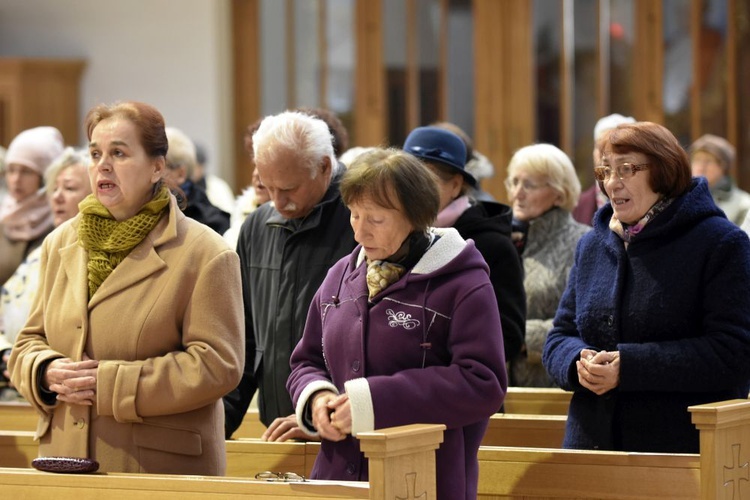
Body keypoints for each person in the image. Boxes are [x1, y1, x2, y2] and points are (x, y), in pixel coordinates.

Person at [8, 101, 244, 475]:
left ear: (157, 167)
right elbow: (28, 343)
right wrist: (44, 372)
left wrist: (113, 384)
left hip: (156, 470)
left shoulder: (205, 252)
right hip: (64, 460)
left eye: (118, 153)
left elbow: (218, 365)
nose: (103, 164)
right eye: (96, 153)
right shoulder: (59, 243)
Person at [286, 148, 507, 500]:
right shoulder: (339, 276)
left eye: (375, 219)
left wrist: (372, 402)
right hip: (337, 479)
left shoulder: (464, 283)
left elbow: (483, 382)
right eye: (354, 216)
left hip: (424, 481)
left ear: (414, 216)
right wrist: (317, 397)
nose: (359, 233)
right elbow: (306, 361)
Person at [542, 121, 750, 453]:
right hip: (589, 446)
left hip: (677, 450)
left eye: (627, 170)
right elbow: (559, 335)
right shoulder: (592, 245)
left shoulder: (720, 243)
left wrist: (631, 367)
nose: (612, 183)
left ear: (663, 171)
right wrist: (576, 362)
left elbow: (734, 352)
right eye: (606, 171)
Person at [223, 110, 357, 440]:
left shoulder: (363, 219)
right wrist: (218, 424)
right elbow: (245, 337)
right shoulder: (257, 227)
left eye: (289, 188)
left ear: (325, 166)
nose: (278, 202)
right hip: (279, 427)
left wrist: (323, 419)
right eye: (267, 187)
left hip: (346, 430)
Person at [403, 126, 526, 365]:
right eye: (406, 181)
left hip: (461, 390)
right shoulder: (395, 237)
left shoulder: (492, 245)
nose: (413, 191)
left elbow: (508, 337)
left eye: (426, 179)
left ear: (456, 185)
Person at [0, 147, 92, 401]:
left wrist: (41, 367)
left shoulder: (97, 258)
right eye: (54, 189)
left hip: (61, 390)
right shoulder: (41, 252)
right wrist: (6, 353)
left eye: (70, 188)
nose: (57, 197)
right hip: (20, 380)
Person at [506, 144, 590, 387]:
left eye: (528, 185)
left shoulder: (584, 243)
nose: (517, 193)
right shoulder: (501, 240)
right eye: (513, 182)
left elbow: (587, 322)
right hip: (497, 394)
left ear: (559, 193)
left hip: (553, 390)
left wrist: (519, 336)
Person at [0, 126, 64, 284]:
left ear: (45, 177)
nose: (15, 179)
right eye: (11, 170)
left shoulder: (60, 217)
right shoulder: (4, 216)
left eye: (26, 171)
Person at [164, 127, 230, 234]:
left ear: (181, 174)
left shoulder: (212, 223)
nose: (152, 175)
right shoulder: (140, 211)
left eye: (159, 167)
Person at [573, 113, 636, 226]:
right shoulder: (578, 205)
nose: (606, 155)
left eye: (617, 148)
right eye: (600, 147)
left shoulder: (644, 202)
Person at [689, 133, 750, 225]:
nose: (701, 166)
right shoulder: (681, 197)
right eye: (697, 159)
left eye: (708, 161)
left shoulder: (743, 205)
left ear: (723, 166)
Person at [191, 142, 236, 215]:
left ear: (202, 166)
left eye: (195, 166)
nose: (191, 171)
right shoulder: (182, 187)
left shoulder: (218, 186)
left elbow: (228, 213)